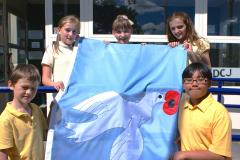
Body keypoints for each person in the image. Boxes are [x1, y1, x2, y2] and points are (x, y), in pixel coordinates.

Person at [172, 62, 232, 160]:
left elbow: (221, 156)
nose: (194, 84)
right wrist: (172, 51)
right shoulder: (181, 103)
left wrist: (184, 155)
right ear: (183, 84)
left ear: (209, 83)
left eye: (200, 80)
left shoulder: (219, 112)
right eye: (189, 80)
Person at [0, 64, 48, 160]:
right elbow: (2, 154)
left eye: (33, 88)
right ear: (11, 85)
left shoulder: (36, 110)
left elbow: (46, 134)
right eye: (25, 87)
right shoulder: (6, 119)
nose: (29, 92)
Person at [41, 15, 80, 116]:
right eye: (67, 30)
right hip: (60, 102)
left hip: (79, 102)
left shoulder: (80, 51)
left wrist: (104, 45)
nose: (71, 34)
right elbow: (45, 79)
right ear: (59, 30)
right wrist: (54, 84)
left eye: (74, 31)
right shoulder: (52, 49)